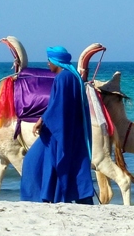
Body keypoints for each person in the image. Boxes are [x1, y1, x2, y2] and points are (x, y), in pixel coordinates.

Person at [19, 46, 95, 204]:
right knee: (59, 163)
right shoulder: (73, 76)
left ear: (56, 62)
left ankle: (39, 198)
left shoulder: (63, 78)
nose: (47, 64)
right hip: (68, 130)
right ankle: (51, 197)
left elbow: (58, 106)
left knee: (32, 161)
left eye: (49, 61)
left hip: (58, 131)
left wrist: (42, 120)